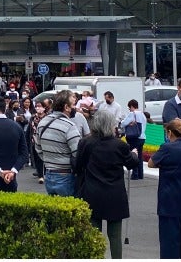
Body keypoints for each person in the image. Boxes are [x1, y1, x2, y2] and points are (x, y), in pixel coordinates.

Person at [74, 109, 139, 259]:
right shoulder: (119, 145)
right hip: (115, 194)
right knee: (115, 236)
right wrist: (134, 154)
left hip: (92, 193)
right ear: (111, 124)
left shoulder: (85, 142)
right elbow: (131, 163)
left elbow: (78, 166)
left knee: (94, 234)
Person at [147, 119, 181, 260]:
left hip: (170, 204)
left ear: (170, 133)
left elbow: (151, 163)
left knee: (170, 245)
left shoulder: (167, 149)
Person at [35, 89, 82, 197]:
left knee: (55, 211)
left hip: (49, 174)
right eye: (74, 105)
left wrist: (50, 161)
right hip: (66, 176)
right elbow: (78, 154)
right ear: (66, 107)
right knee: (69, 210)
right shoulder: (69, 126)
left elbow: (38, 148)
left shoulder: (42, 123)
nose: (76, 108)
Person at [118, 99, 146, 181]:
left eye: (129, 107)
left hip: (134, 137)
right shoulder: (142, 114)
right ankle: (140, 174)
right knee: (140, 156)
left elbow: (123, 123)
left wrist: (126, 123)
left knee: (133, 155)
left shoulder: (132, 113)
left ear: (132, 106)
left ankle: (135, 174)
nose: (129, 109)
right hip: (142, 137)